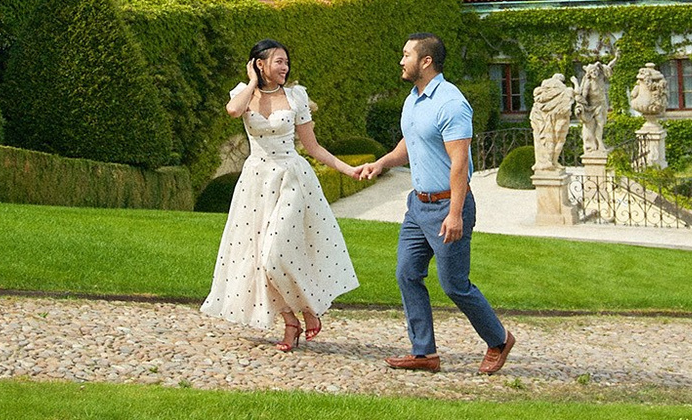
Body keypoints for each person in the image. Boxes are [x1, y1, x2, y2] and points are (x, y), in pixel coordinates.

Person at [356, 33, 516, 374]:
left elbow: (459, 163)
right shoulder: (413, 99)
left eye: (406, 55)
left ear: (425, 61)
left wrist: (456, 214)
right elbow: (410, 142)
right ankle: (424, 352)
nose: (401, 61)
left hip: (448, 207)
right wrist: (382, 162)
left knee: (454, 284)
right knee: (407, 273)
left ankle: (499, 339)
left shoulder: (451, 103)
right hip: (418, 206)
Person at [203, 39, 364, 350]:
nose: (285, 67)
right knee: (260, 259)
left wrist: (347, 169)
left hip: (292, 178)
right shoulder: (243, 94)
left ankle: (309, 309)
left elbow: (314, 147)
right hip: (256, 182)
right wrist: (251, 82)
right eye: (278, 61)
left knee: (276, 252)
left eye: (286, 61)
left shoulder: (296, 97)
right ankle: (291, 322)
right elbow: (233, 111)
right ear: (260, 64)